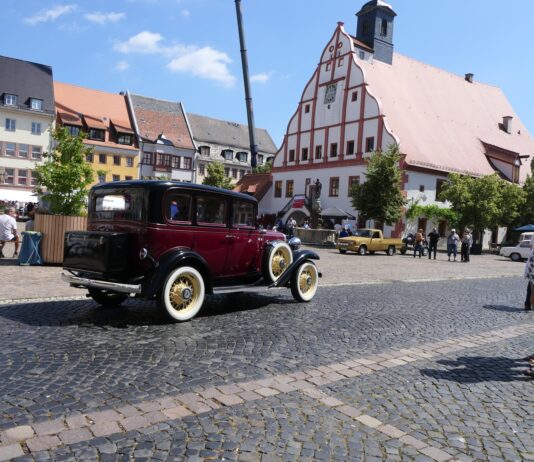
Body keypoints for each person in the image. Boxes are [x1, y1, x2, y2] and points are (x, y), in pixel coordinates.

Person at [524, 235, 534, 311]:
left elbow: (531, 248)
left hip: (531, 264)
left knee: (530, 286)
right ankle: (529, 304)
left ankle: (527, 304)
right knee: (531, 286)